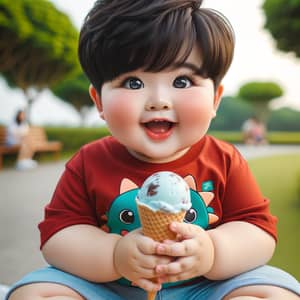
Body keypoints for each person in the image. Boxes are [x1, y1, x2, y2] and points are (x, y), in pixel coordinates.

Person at [6, 1, 300, 299]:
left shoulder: (225, 160)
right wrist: (114, 256)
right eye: (133, 82)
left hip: (205, 288)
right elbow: (58, 236)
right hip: (110, 289)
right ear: (98, 102)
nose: (158, 100)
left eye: (182, 81)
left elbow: (258, 231)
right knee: (33, 294)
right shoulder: (88, 162)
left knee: (275, 294)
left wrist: (213, 251)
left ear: (215, 99)